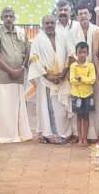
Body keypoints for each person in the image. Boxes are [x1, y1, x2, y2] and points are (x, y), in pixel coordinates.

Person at [0, 7, 32, 143]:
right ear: (1, 18)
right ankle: (3, 134)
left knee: (15, 108)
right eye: (5, 16)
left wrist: (22, 68)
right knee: (3, 108)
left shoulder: (21, 32)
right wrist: (11, 71)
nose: (8, 19)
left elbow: (28, 51)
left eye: (11, 16)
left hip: (18, 77)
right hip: (2, 77)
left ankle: (17, 133)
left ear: (14, 18)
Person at [29, 13, 72, 144]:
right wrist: (48, 76)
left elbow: (70, 53)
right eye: (47, 23)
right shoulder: (38, 39)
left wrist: (64, 72)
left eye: (52, 23)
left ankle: (64, 133)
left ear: (55, 23)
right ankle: (50, 134)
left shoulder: (63, 36)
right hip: (46, 80)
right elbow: (34, 59)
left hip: (62, 78)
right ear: (42, 25)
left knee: (62, 108)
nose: (49, 25)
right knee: (48, 107)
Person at [67, 4, 99, 140]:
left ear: (90, 15)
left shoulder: (98, 30)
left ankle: (94, 133)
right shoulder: (71, 33)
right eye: (80, 14)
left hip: (94, 71)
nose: (83, 16)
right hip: (78, 72)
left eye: (85, 13)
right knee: (79, 110)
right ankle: (79, 135)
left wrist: (96, 70)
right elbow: (71, 52)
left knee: (95, 103)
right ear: (77, 17)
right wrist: (81, 67)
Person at [69, 42, 97, 146]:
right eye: (80, 52)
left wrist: (80, 78)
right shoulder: (73, 66)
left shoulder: (90, 66)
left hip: (88, 95)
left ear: (87, 53)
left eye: (84, 52)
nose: (82, 55)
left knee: (86, 117)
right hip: (76, 95)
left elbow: (92, 80)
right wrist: (85, 80)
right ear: (76, 53)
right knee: (79, 117)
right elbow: (72, 80)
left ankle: (85, 138)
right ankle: (80, 138)